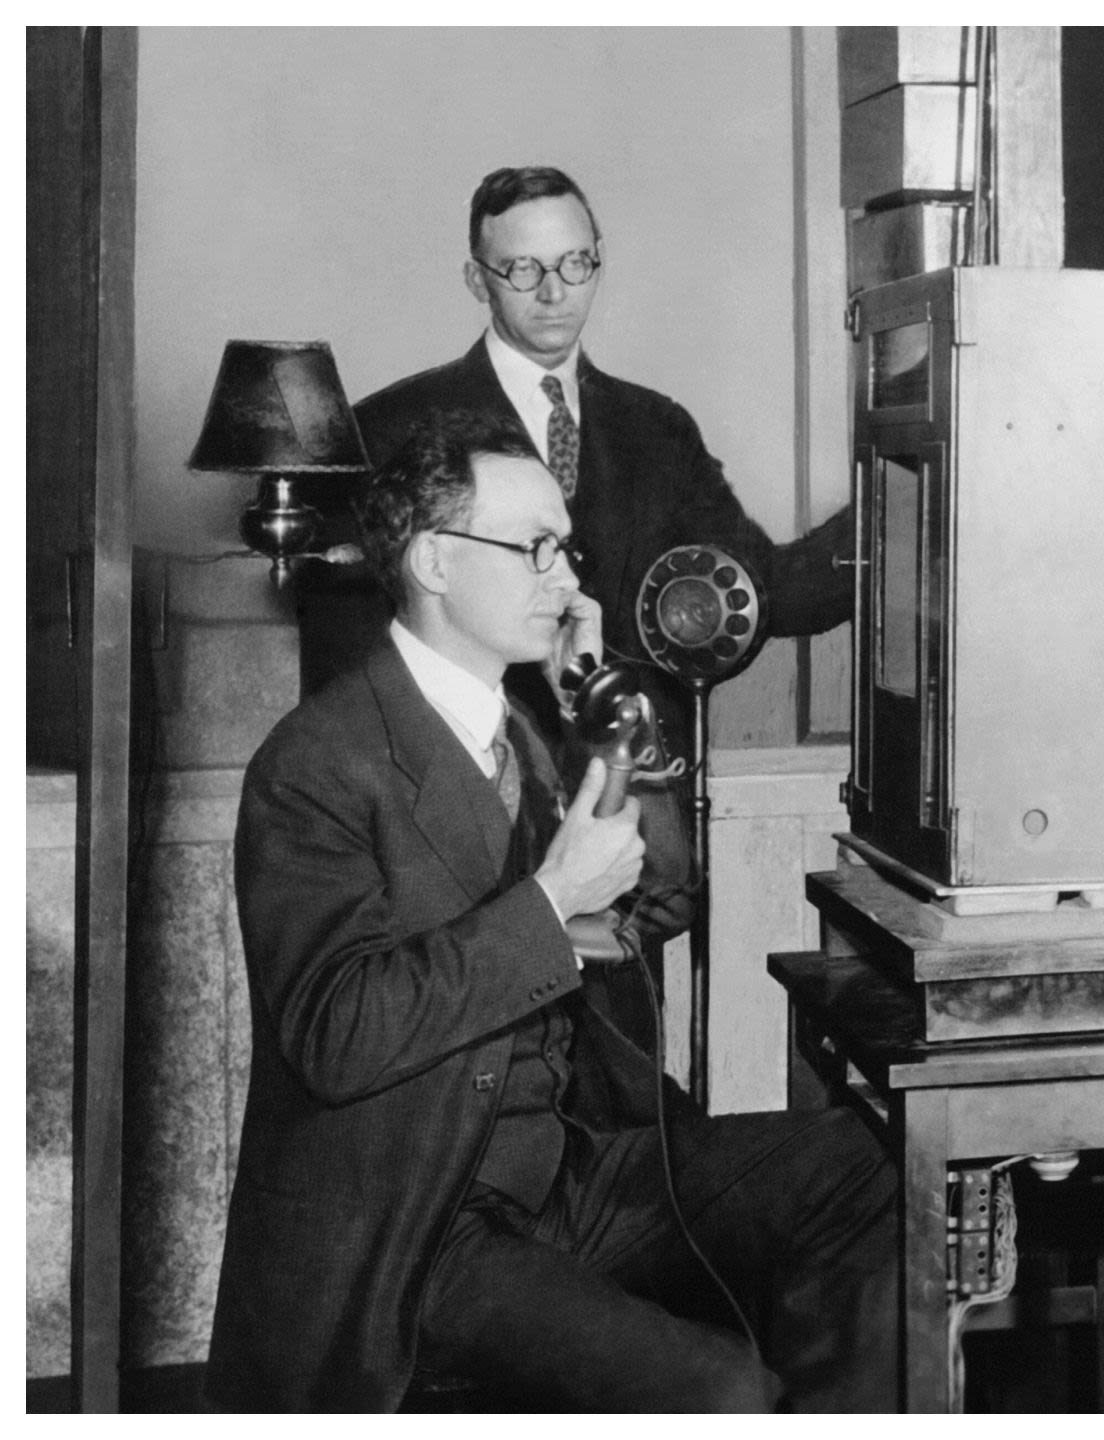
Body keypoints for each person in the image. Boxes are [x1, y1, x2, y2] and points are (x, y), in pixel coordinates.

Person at [208, 409, 896, 1411]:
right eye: (536, 547)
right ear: (437, 561)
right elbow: (333, 1032)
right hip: (426, 1220)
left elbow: (661, 900)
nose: (569, 579)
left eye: (565, 547)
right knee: (720, 1394)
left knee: (864, 1160)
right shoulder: (318, 763)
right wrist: (549, 901)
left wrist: (605, 700)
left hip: (566, 1174)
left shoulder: (524, 737)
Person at [304, 163, 856, 711]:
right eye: (522, 269)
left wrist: (896, 507)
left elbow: (765, 590)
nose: (553, 292)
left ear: (598, 261)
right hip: (475, 781)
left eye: (574, 263)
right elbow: (347, 658)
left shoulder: (660, 428)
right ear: (477, 280)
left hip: (638, 776)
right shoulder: (386, 429)